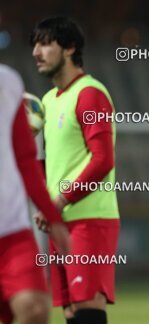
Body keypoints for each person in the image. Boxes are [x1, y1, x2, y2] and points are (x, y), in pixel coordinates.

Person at [30, 16, 120, 324]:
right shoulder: (46, 102)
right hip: (61, 221)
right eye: (34, 45)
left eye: (45, 43)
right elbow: (48, 162)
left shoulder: (90, 93)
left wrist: (59, 202)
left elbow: (102, 160)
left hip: (90, 220)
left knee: (87, 308)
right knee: (71, 311)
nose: (36, 52)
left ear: (69, 48)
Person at [0, 63, 70, 324]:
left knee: (35, 309)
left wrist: (53, 218)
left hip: (10, 229)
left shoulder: (7, 82)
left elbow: (25, 158)